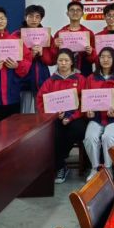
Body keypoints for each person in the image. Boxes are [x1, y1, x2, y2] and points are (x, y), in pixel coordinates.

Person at [35, 49, 88, 183]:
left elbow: (85, 101)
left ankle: (59, 161)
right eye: (60, 60)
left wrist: (71, 117)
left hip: (76, 117)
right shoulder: (50, 81)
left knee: (78, 130)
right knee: (54, 134)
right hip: (55, 118)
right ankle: (60, 166)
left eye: (66, 60)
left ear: (72, 62)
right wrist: (54, 114)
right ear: (57, 62)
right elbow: (41, 101)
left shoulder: (81, 79)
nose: (63, 63)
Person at [82, 47, 114, 180]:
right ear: (98, 59)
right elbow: (86, 100)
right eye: (102, 57)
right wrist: (88, 112)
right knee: (90, 137)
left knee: (108, 137)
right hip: (96, 118)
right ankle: (95, 168)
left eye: (109, 57)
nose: (105, 60)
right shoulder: (91, 78)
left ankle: (108, 168)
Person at [13, 4, 54, 113]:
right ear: (25, 17)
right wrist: (29, 54)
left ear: (41, 19)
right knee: (23, 113)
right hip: (22, 77)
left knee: (42, 111)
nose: (34, 19)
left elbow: (52, 60)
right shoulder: (16, 35)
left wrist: (42, 53)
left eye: (37, 17)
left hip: (42, 76)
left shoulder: (47, 35)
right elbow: (12, 58)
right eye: (30, 16)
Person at [52, 1, 96, 76]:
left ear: (82, 14)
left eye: (78, 10)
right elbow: (53, 58)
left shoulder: (89, 33)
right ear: (67, 13)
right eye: (72, 10)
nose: (75, 12)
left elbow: (94, 58)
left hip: (84, 71)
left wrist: (91, 52)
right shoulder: (60, 33)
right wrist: (55, 46)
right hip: (64, 71)